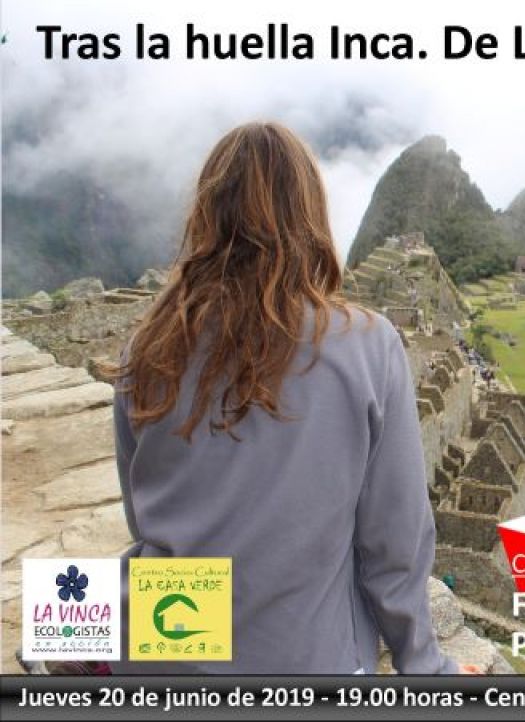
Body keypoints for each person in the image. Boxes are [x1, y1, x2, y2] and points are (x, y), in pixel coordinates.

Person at [109, 122, 467, 675]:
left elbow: (148, 517)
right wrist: (427, 670)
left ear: (207, 216)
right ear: (310, 216)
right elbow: (394, 544)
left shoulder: (147, 350)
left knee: (77, 613)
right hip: (303, 666)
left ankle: (77, 645)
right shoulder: (368, 347)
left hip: (160, 656)